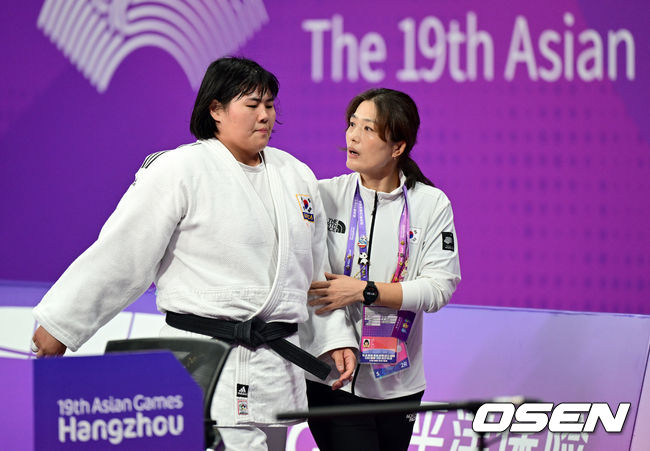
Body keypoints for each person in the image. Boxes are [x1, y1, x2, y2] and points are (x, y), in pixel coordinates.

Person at [31, 57, 356, 451]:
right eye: (252, 105)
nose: (265, 115)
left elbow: (314, 273)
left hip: (274, 368)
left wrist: (333, 336)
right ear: (215, 110)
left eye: (269, 105)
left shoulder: (296, 175)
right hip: (200, 358)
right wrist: (62, 325)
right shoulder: (179, 169)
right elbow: (123, 252)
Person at [303, 88, 461, 451]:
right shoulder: (323, 196)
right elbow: (312, 281)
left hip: (399, 384)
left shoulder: (431, 204)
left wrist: (364, 290)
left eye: (368, 129)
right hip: (333, 378)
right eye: (352, 124)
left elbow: (439, 288)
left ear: (397, 147)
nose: (353, 136)